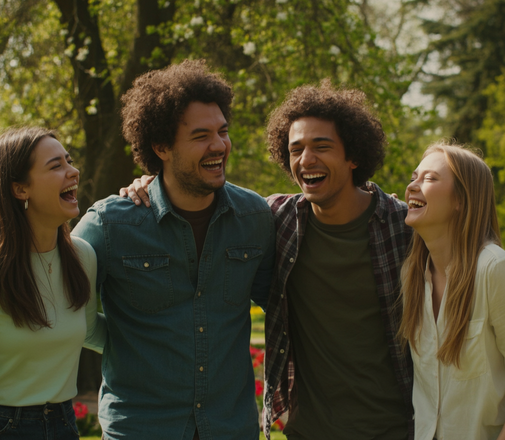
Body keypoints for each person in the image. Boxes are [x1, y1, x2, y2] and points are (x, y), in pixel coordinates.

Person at [124, 80, 414, 439]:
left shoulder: (404, 229)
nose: (306, 160)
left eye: (321, 146)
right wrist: (155, 181)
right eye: (295, 149)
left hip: (396, 429)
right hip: (307, 432)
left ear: (353, 155)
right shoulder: (276, 220)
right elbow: (192, 188)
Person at [73, 59, 275, 440]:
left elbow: (279, 305)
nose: (219, 145)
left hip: (231, 429)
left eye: (223, 131)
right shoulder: (110, 224)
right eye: (201, 136)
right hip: (140, 430)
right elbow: (68, 311)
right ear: (161, 146)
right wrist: (126, 344)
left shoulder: (255, 217)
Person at [0, 126, 105, 440]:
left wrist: (163, 339)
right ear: (19, 189)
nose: (74, 171)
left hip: (63, 423)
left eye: (69, 161)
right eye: (56, 166)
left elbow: (91, 330)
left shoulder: (82, 256)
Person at [398, 142, 505, 440]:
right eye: (413, 177)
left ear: (461, 200)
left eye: (429, 179)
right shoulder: (412, 275)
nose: (413, 187)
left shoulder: (493, 268)